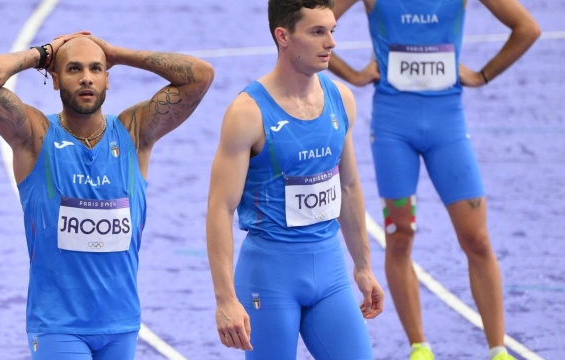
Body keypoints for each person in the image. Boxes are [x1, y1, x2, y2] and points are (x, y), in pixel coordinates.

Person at [0, 31, 214, 360]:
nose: (86, 78)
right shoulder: (34, 136)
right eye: (74, 69)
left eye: (96, 69)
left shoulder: (134, 132)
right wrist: (43, 53)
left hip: (120, 324)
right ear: (55, 80)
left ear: (107, 78)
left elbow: (201, 76)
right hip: (58, 325)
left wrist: (116, 53)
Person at [327, 1, 541, 359]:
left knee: (477, 238)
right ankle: (419, 347)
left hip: (448, 127)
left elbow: (528, 28)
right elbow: (303, 18)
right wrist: (351, 74)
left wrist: (483, 75)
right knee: (400, 235)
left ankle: (498, 350)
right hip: (394, 129)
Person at [206, 1, 384, 358]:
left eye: (332, 30)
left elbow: (348, 186)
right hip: (269, 279)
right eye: (317, 32)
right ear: (283, 36)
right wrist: (225, 298)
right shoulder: (248, 112)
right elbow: (220, 208)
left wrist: (363, 266)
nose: (331, 42)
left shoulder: (340, 99)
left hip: (330, 271)